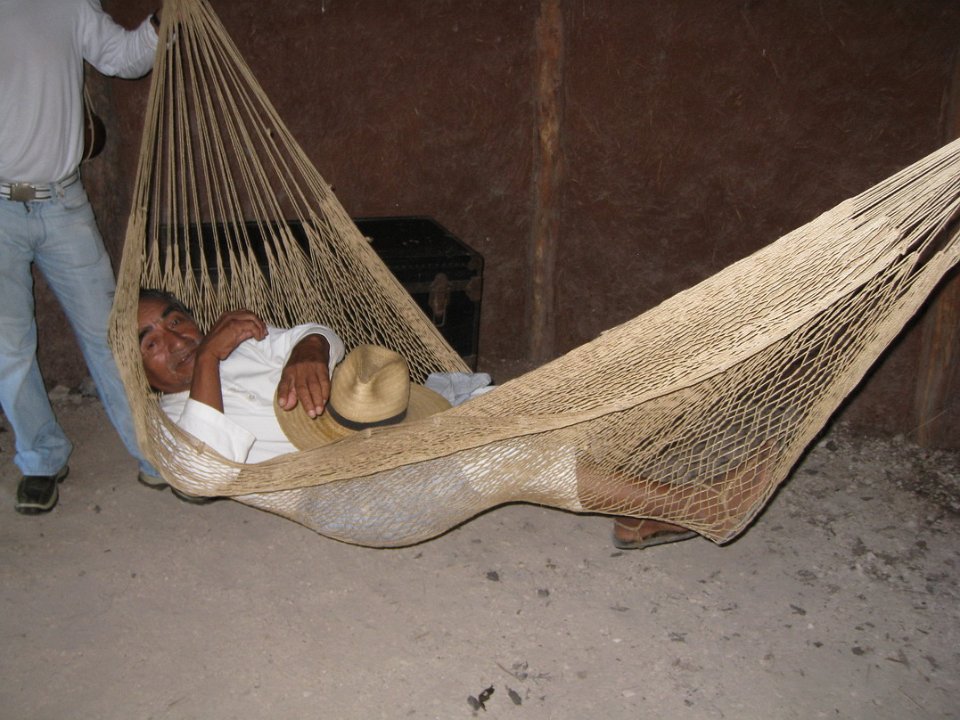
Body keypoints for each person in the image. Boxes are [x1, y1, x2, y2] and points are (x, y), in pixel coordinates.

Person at [1, 1, 163, 514]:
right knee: (8, 348)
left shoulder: (67, 3)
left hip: (63, 202)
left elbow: (124, 58)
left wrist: (159, 25)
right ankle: (41, 459)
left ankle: (152, 451)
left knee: (107, 333)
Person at [137, 289, 349, 467]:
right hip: (323, 487)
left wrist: (311, 346)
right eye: (151, 344)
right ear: (138, 369)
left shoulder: (242, 343)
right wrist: (207, 358)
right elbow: (206, 473)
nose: (177, 342)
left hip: (360, 430)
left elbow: (314, 334)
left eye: (175, 322)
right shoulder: (164, 424)